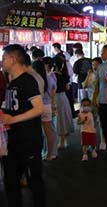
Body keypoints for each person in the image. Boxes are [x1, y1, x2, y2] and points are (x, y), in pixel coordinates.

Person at [1, 44, 46, 207]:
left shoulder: (27, 80)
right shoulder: (12, 82)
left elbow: (39, 108)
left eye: (4, 58)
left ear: (13, 60)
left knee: (35, 181)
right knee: (11, 181)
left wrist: (13, 119)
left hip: (28, 140)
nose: (2, 62)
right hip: (13, 141)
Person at [53, 55, 74, 149]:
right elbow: (67, 88)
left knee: (58, 119)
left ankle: (60, 142)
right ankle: (64, 140)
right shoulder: (65, 75)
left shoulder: (52, 75)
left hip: (56, 98)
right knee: (63, 118)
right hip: (63, 97)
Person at [39, 57, 58, 160]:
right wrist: (53, 104)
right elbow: (54, 91)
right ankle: (50, 152)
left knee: (47, 131)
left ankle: (49, 153)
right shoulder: (51, 77)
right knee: (50, 130)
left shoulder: (43, 78)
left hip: (43, 106)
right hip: (48, 105)